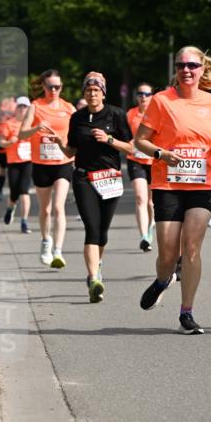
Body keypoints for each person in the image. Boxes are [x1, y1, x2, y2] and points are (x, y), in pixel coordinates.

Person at [134, 45, 211, 334]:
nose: (186, 70)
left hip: (204, 182)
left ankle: (186, 313)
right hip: (168, 183)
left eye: (192, 65)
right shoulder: (161, 101)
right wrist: (161, 154)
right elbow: (140, 141)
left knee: (191, 247)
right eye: (181, 65)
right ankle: (164, 279)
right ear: (175, 70)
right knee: (167, 253)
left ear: (202, 69)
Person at [51, 72, 132, 302]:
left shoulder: (116, 114)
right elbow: (71, 152)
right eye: (88, 90)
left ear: (103, 93)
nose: (92, 94)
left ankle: (97, 265)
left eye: (96, 90)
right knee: (92, 229)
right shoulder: (77, 118)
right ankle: (94, 278)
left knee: (103, 232)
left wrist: (109, 139)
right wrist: (60, 143)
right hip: (84, 177)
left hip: (109, 178)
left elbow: (131, 147)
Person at [18, 70, 75, 267]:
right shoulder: (35, 106)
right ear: (43, 86)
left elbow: (78, 132)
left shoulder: (68, 108)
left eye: (57, 87)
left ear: (61, 87)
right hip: (41, 164)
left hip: (63, 163)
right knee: (45, 208)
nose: (53, 90)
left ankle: (58, 250)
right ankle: (45, 241)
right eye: (50, 86)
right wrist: (36, 128)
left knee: (59, 207)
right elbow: (21, 134)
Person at [126, 84, 156, 251]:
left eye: (146, 94)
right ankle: (144, 236)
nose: (143, 96)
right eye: (140, 94)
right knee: (140, 198)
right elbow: (123, 135)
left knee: (151, 202)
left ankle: (150, 228)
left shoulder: (157, 113)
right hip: (135, 159)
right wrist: (129, 141)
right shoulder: (130, 114)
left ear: (152, 96)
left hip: (154, 161)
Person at [1, 96, 33, 233]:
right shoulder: (9, 124)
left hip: (28, 161)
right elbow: (2, 142)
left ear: (29, 109)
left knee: (24, 191)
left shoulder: (33, 123)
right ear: (16, 109)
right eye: (20, 106)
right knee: (14, 191)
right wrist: (10, 142)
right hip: (13, 161)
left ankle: (24, 221)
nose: (22, 109)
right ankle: (10, 208)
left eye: (25, 106)